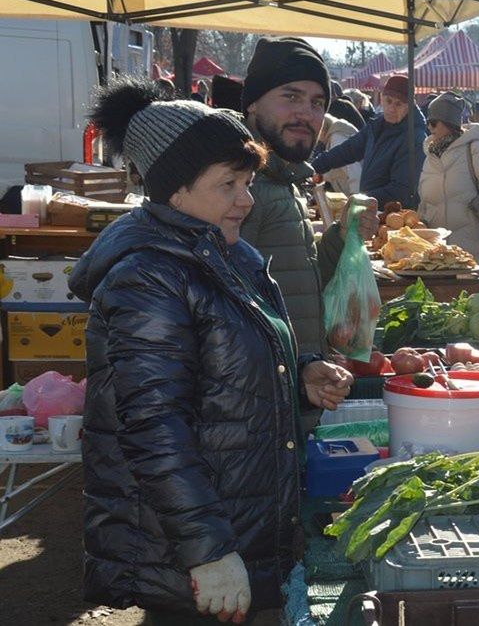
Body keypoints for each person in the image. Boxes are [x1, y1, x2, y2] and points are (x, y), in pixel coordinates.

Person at [74, 77, 354, 625]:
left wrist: (299, 372)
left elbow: (219, 368)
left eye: (247, 182)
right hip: (191, 551)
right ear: (175, 190)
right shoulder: (147, 279)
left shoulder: (228, 255)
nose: (245, 200)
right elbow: (154, 429)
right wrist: (209, 552)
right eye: (228, 184)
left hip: (240, 523)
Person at [239, 37, 377, 385]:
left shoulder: (283, 182)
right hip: (264, 399)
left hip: (295, 392)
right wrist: (295, 371)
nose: (306, 113)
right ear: (253, 104)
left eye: (317, 103)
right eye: (291, 96)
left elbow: (301, 285)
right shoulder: (239, 187)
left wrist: (341, 236)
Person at [418, 92, 479, 293]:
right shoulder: (430, 157)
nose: (429, 128)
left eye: (434, 123)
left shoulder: (477, 150)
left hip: (473, 254)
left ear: (448, 123)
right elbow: (425, 203)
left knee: (475, 311)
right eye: (428, 122)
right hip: (437, 259)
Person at [311, 75, 428, 208]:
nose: (391, 108)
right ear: (381, 99)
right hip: (371, 208)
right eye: (388, 101)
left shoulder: (415, 138)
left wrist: (360, 201)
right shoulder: (376, 127)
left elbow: (401, 189)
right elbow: (348, 150)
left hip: (395, 214)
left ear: (409, 106)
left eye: (398, 104)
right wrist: (314, 167)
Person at [317, 113, 361, 194]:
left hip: (356, 195)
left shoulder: (337, 138)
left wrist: (355, 202)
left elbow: (355, 173)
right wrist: (322, 175)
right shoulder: (336, 135)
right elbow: (337, 170)